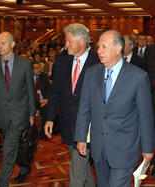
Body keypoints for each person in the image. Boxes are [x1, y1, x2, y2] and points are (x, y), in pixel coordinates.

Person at [74, 30, 155, 187]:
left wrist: (147, 148)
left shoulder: (138, 77)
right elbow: (84, 107)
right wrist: (81, 137)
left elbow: (145, 116)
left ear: (118, 49)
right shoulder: (92, 73)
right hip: (98, 146)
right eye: (98, 47)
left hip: (124, 147)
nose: (98, 51)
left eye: (104, 47)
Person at [45, 23, 99, 187]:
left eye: (68, 41)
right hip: (67, 124)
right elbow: (55, 92)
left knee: (76, 170)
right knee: (81, 167)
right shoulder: (62, 61)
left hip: (89, 127)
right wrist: (49, 118)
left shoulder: (98, 62)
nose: (65, 45)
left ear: (82, 41)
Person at [0, 31, 35, 187]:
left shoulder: (25, 64)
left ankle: (1, 184)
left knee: (9, 150)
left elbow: (30, 90)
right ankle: (24, 167)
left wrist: (32, 113)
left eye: (3, 43)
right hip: (3, 117)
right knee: (15, 147)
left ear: (12, 44)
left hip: (20, 114)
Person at [33, 62, 50, 141]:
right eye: (36, 68)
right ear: (31, 70)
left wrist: (46, 100)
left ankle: (43, 133)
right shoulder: (28, 77)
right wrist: (39, 100)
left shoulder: (44, 76)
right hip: (32, 101)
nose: (39, 69)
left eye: (39, 67)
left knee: (46, 109)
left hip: (43, 101)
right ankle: (32, 134)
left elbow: (49, 89)